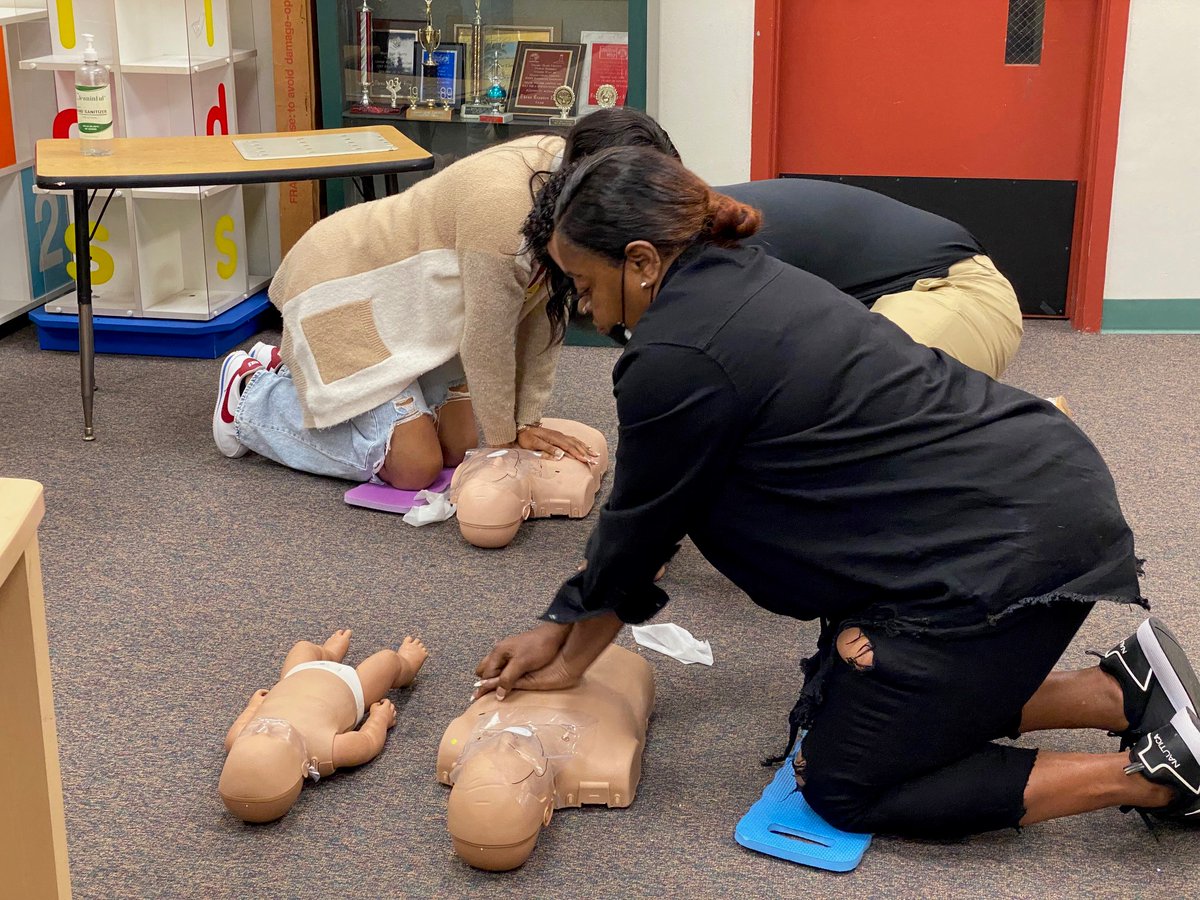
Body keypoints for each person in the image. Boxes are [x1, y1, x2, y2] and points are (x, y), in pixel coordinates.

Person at [471, 146, 1200, 839]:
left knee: (846, 780)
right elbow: (652, 517)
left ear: (640, 261)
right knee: (834, 699)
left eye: (589, 288)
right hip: (1024, 493)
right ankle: (1119, 690)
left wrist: (570, 647)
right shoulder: (737, 269)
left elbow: (640, 525)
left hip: (1010, 547)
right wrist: (566, 631)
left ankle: (1158, 776)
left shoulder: (675, 355)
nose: (592, 314)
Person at [211, 133, 595, 489]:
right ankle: (250, 396)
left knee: (458, 449)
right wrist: (505, 446)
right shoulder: (506, 211)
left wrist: (527, 420)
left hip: (415, 312)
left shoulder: (561, 176)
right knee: (416, 467)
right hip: (341, 286)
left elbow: (545, 313)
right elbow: (486, 340)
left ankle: (295, 368)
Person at [538, 109, 1022, 379]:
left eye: (585, 284)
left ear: (638, 255)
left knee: (859, 404)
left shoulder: (721, 250)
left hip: (953, 291)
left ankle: (1007, 435)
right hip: (875, 303)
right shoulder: (680, 238)